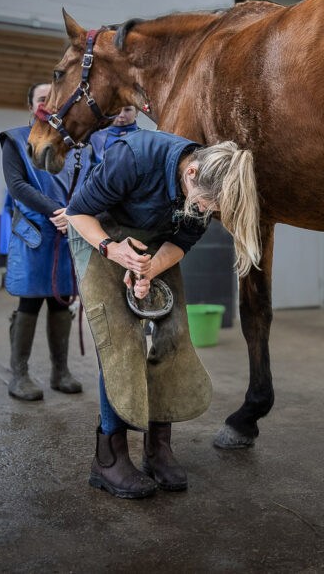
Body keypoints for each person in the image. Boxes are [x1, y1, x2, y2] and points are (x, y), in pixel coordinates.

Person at [65, 130, 260, 499]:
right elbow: (77, 213)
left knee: (173, 333)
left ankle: (158, 448)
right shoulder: (133, 158)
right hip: (98, 231)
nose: (206, 212)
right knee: (122, 340)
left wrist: (148, 271)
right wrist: (114, 251)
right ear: (191, 174)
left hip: (155, 239)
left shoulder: (205, 190)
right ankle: (109, 458)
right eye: (205, 205)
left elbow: (181, 241)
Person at [0, 82, 83, 401]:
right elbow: (17, 186)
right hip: (35, 232)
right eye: (41, 99)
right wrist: (57, 211)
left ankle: (60, 372)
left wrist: (73, 215)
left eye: (52, 98)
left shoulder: (73, 143)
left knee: (62, 300)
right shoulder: (15, 140)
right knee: (30, 301)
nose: (47, 103)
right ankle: (19, 375)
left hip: (66, 230)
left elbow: (84, 181)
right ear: (30, 104)